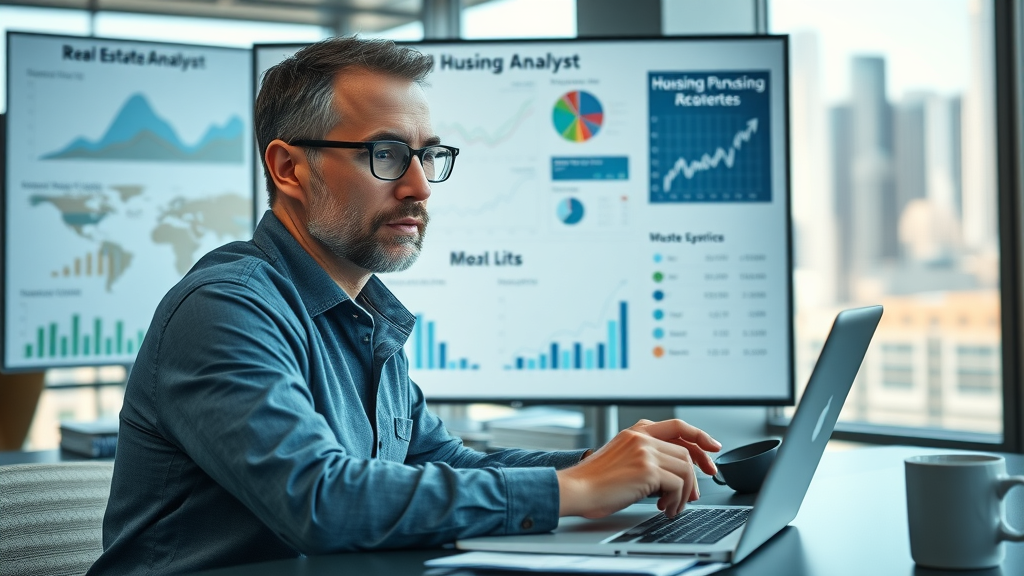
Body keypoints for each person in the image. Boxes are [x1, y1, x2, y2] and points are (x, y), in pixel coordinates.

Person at [88, 36, 722, 575]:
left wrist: (607, 461)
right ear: (288, 168)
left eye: (428, 156)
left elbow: (446, 462)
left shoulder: (363, 318)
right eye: (385, 155)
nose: (419, 186)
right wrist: (574, 490)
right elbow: (319, 499)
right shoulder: (225, 309)